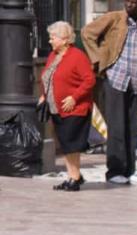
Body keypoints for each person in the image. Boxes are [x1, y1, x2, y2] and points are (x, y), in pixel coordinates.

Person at [81, 0, 137, 185]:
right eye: (127, 0)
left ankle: (128, 170)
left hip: (135, 81)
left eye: (134, 1)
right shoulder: (114, 18)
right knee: (117, 127)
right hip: (115, 78)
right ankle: (114, 170)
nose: (130, 4)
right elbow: (87, 33)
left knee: (132, 128)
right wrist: (98, 60)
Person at [39, 21, 95, 192]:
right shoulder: (53, 56)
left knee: (72, 144)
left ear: (64, 39)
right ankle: (73, 176)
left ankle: (75, 177)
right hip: (57, 109)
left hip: (75, 109)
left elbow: (89, 80)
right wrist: (44, 94)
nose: (50, 41)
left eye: (53, 37)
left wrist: (74, 97)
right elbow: (48, 76)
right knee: (65, 144)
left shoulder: (77, 56)